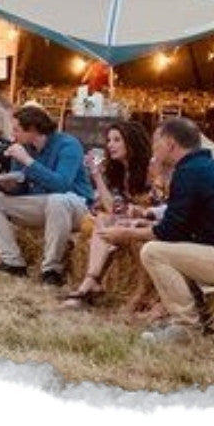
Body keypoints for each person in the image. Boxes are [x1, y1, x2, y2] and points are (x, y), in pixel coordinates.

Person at [99, 117, 214, 343]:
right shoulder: (205, 168)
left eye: (156, 142)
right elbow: (182, 227)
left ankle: (185, 326)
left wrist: (126, 234)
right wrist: (148, 225)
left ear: (170, 144)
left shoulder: (189, 172)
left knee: (153, 252)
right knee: (162, 248)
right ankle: (174, 315)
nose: (153, 149)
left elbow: (169, 233)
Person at [0, 106, 95, 285]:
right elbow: (22, 187)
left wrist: (27, 161)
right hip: (42, 203)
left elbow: (62, 185)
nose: (13, 134)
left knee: (57, 200)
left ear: (32, 129)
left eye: (16, 129)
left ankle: (51, 269)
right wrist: (8, 185)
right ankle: (13, 262)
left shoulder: (68, 144)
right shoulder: (23, 148)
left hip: (75, 205)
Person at [62, 120, 156, 308]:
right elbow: (114, 208)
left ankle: (89, 284)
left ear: (131, 141)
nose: (110, 145)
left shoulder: (151, 169)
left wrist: (133, 214)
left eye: (116, 140)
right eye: (108, 140)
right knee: (103, 218)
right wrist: (96, 175)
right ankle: (91, 281)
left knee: (104, 221)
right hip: (127, 220)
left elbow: (157, 206)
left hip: (150, 223)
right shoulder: (119, 171)